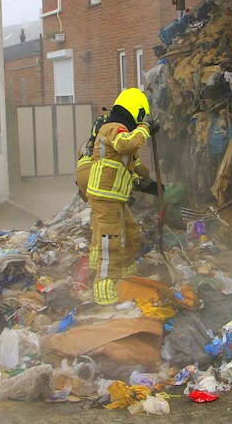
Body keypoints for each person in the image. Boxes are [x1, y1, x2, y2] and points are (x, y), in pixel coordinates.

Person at [85, 88, 157, 305]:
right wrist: (146, 129)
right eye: (141, 116)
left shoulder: (115, 129)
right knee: (110, 244)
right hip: (106, 196)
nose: (141, 121)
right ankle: (105, 292)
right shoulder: (115, 128)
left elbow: (124, 166)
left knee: (130, 231)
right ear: (136, 111)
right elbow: (127, 144)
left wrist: (147, 184)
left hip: (111, 196)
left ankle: (126, 271)